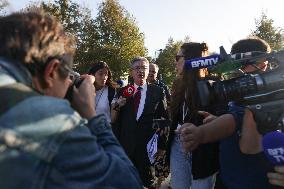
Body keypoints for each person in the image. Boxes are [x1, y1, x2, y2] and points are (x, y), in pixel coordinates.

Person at [0, 11, 143, 189]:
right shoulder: (51, 120)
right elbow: (127, 182)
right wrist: (90, 114)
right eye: (67, 75)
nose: (69, 83)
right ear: (51, 71)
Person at [178, 37, 275, 189]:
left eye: (241, 66)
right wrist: (217, 120)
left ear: (262, 64)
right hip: (226, 179)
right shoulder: (239, 94)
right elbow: (235, 122)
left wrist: (200, 133)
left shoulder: (266, 98)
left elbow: (234, 120)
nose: (236, 72)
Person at [111, 56, 169, 189]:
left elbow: (164, 119)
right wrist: (117, 106)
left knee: (148, 183)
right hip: (126, 147)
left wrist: (162, 146)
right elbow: (115, 120)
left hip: (148, 149)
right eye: (137, 68)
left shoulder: (158, 92)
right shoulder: (122, 92)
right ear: (131, 72)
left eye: (144, 68)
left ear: (149, 71)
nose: (141, 71)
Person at [168, 42, 219, 189]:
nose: (175, 61)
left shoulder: (212, 85)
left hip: (203, 149)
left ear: (190, 59)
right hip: (178, 144)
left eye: (178, 57)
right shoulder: (178, 84)